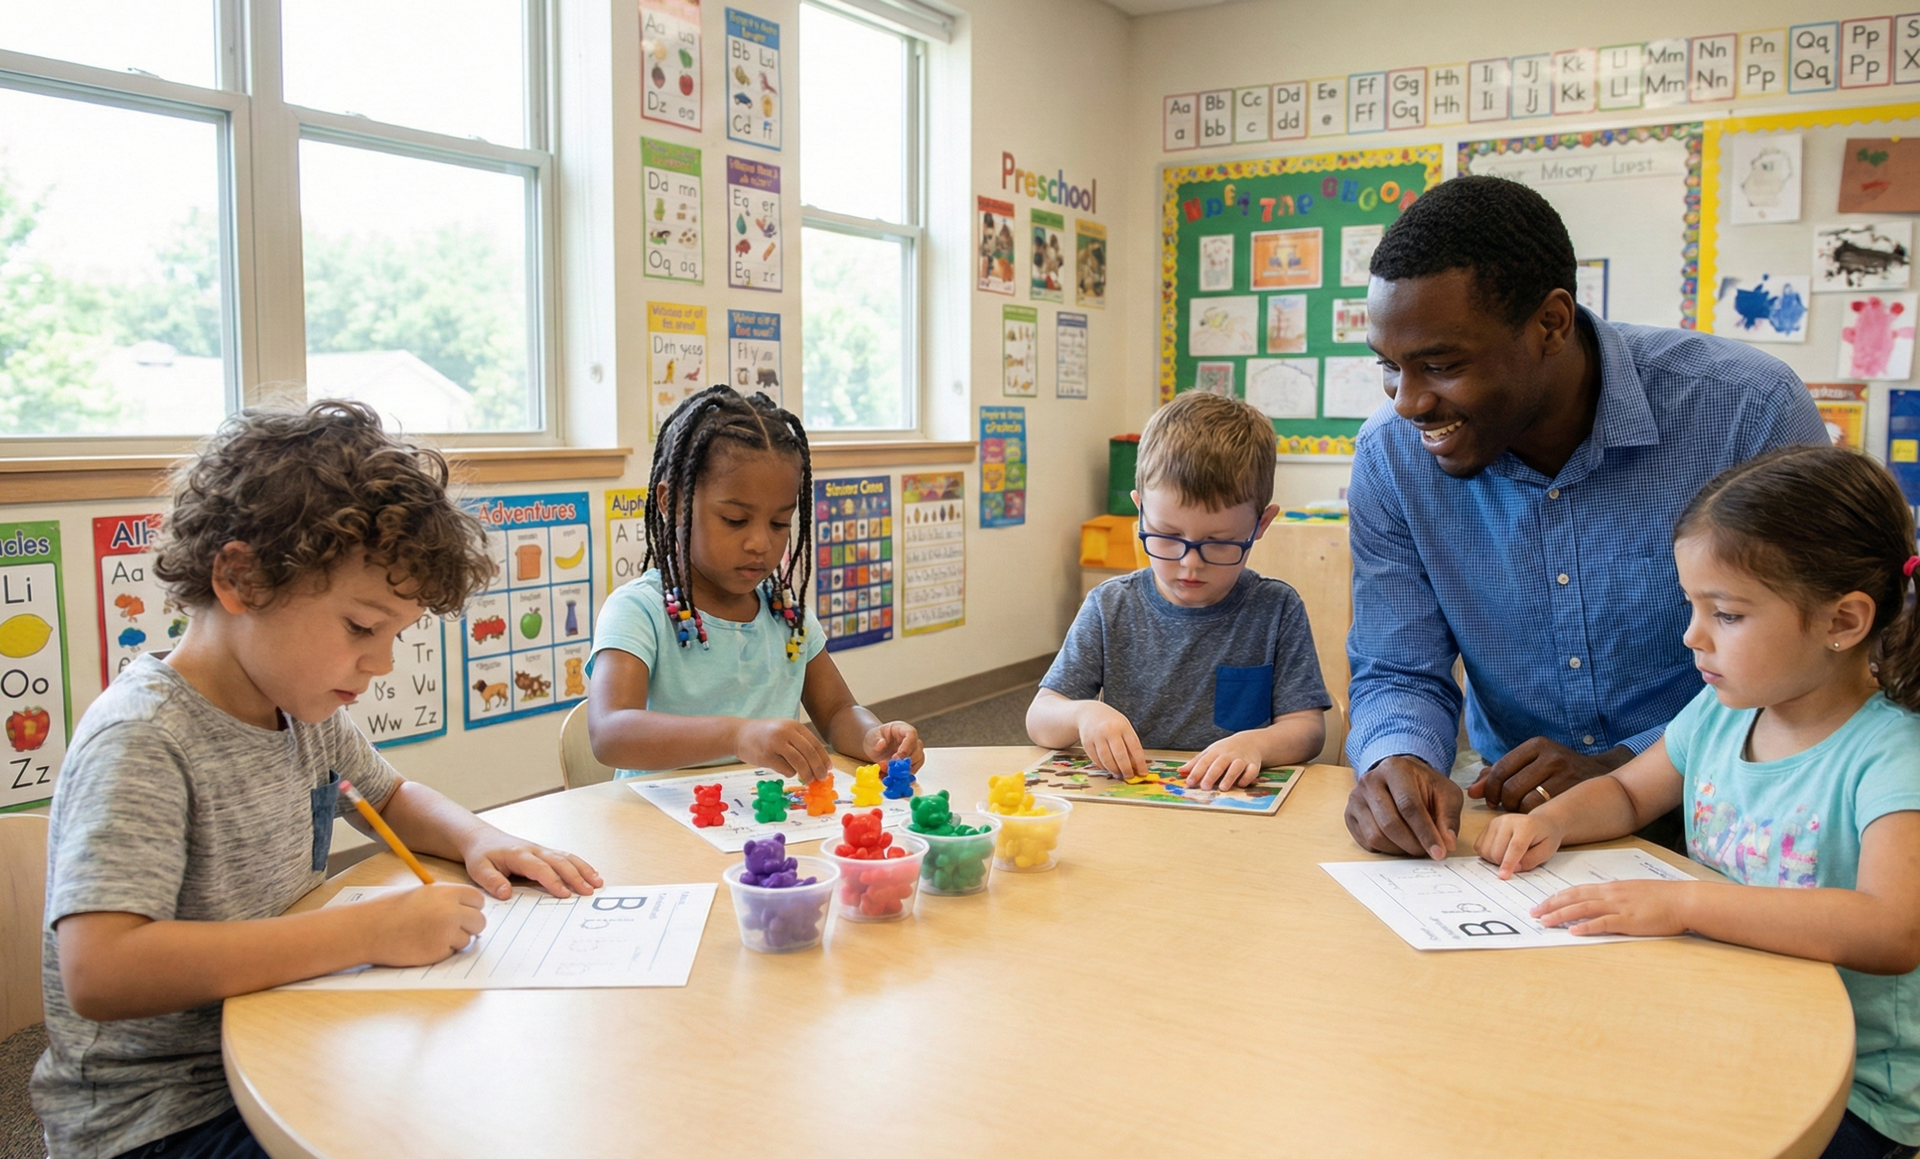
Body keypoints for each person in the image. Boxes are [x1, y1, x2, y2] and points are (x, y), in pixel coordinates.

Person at [32, 401, 602, 1159]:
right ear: (241, 578)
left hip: (289, 1035)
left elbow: (390, 796)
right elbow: (101, 970)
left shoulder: (299, 708)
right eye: (362, 629)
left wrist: (480, 836)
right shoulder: (144, 738)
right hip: (161, 1117)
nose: (381, 664)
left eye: (395, 636)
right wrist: (361, 933)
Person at [1343, 174, 1827, 862]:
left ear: (1551, 323)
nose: (1409, 402)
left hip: (1738, 817)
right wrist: (1398, 758)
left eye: (1440, 364)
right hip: (1525, 829)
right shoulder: (1392, 457)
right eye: (1390, 366)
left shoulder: (1747, 413)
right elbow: (1398, 665)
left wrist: (1631, 769)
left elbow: (1812, 656)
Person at [1477, 446, 1920, 1159]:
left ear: (1844, 619)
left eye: (1728, 613)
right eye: (1692, 605)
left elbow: (1892, 928)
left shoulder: (1893, 753)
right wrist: (1550, 820)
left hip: (1854, 1088)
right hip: (1727, 1028)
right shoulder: (1721, 712)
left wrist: (1684, 904)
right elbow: (1625, 790)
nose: (1693, 635)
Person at [588, 386, 922, 781]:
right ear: (672, 503)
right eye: (735, 520)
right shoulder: (639, 611)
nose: (761, 543)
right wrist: (736, 735)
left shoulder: (786, 615)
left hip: (765, 825)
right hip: (658, 822)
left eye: (780, 523)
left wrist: (873, 737)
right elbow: (609, 732)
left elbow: (836, 712)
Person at [1027, 390, 1329, 788]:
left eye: (1219, 542)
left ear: (1261, 525)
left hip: (1230, 806)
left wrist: (1257, 744)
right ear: (1139, 512)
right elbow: (1040, 718)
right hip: (1133, 801)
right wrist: (1084, 714)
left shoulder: (1276, 608)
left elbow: (1307, 728)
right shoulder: (1109, 605)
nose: (1190, 563)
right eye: (1167, 536)